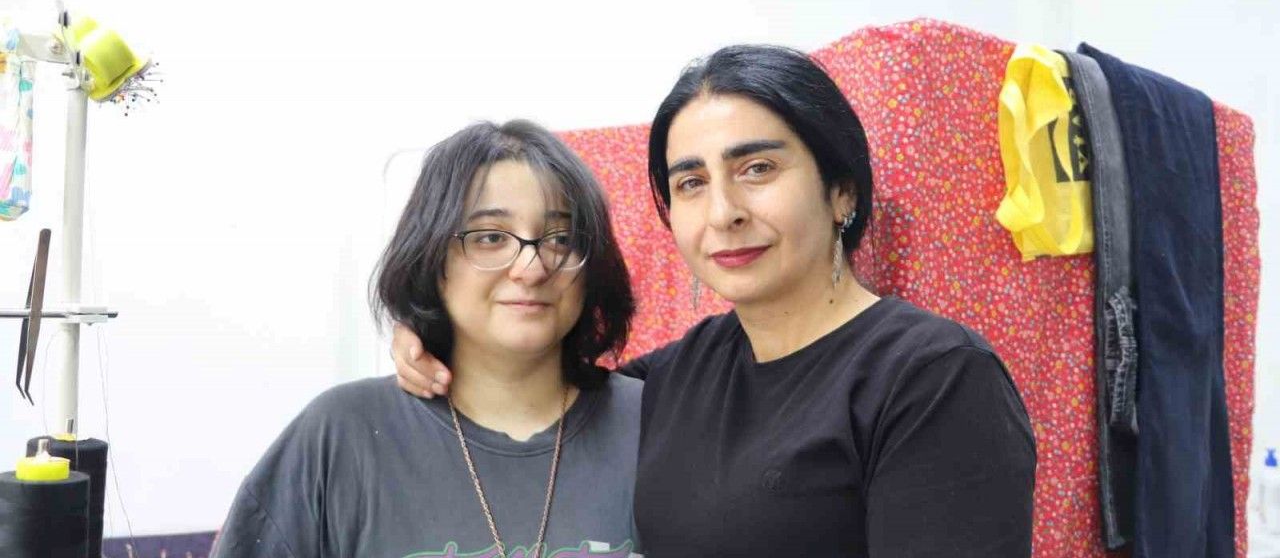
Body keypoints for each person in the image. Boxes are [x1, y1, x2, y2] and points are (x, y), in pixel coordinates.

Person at [394, 45, 1038, 557]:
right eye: (692, 183)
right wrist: (433, 334)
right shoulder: (673, 377)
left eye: (758, 169)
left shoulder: (933, 376)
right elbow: (533, 391)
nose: (723, 212)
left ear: (841, 190)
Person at [214, 120, 643, 558]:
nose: (532, 268)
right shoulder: (342, 435)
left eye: (561, 239)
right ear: (431, 256)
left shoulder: (656, 424)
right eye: (491, 237)